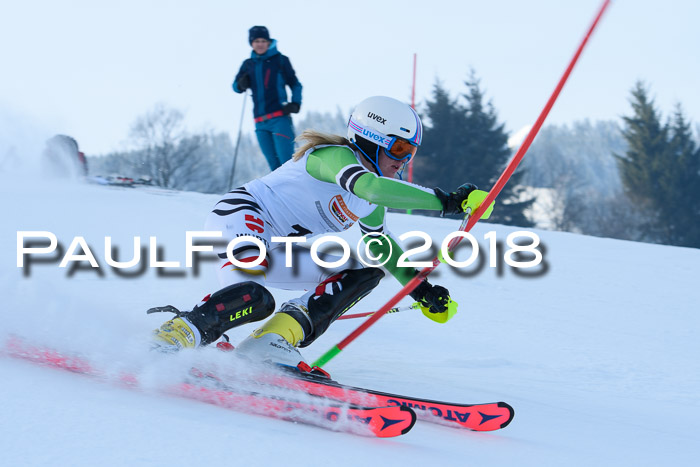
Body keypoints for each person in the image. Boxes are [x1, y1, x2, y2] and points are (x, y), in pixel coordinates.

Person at [152, 96, 494, 364]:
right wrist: (449, 201)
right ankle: (174, 336)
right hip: (242, 217)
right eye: (399, 148)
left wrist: (421, 290)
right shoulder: (332, 156)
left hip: (275, 246)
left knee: (365, 271)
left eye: (411, 152)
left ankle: (272, 340)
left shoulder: (371, 197)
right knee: (254, 298)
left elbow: (382, 247)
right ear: (371, 138)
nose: (403, 160)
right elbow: (369, 188)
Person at [232, 25, 302, 171]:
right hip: (259, 122)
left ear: (269, 42)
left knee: (287, 163)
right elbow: (235, 87)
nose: (260, 44)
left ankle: (298, 192)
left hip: (279, 119)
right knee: (274, 166)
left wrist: (295, 103)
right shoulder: (248, 64)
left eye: (263, 40)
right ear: (251, 43)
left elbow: (295, 84)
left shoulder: (281, 61)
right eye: (256, 41)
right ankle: (280, 194)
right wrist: (240, 84)